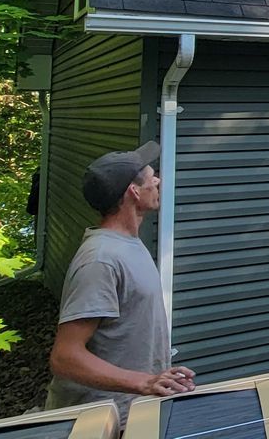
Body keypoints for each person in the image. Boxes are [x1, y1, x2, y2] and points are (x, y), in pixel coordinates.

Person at [45, 141, 196, 416]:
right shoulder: (100, 259)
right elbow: (65, 357)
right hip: (102, 420)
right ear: (134, 192)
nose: (158, 181)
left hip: (133, 409)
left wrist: (159, 374)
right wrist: (144, 381)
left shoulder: (127, 243)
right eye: (152, 177)